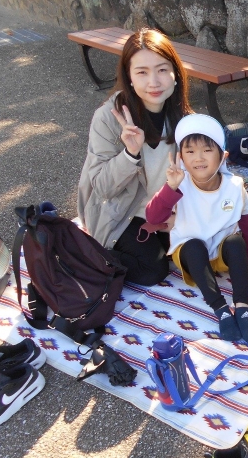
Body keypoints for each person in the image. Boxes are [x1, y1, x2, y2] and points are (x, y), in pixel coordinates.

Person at [78, 28, 192, 286]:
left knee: (199, 252)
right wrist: (129, 154)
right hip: (122, 211)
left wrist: (181, 214)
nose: (154, 82)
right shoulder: (108, 118)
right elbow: (102, 188)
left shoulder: (183, 117)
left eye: (162, 70)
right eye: (142, 72)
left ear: (175, 74)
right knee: (152, 270)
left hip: (164, 207)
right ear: (129, 77)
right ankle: (80, 257)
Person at [145, 114, 248, 344]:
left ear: (223, 156)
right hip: (191, 257)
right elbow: (153, 217)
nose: (198, 158)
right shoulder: (179, 185)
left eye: (207, 150)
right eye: (190, 151)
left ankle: (242, 308)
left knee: (235, 241)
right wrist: (170, 187)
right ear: (181, 157)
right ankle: (221, 310)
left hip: (220, 255)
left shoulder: (234, 186)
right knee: (193, 246)